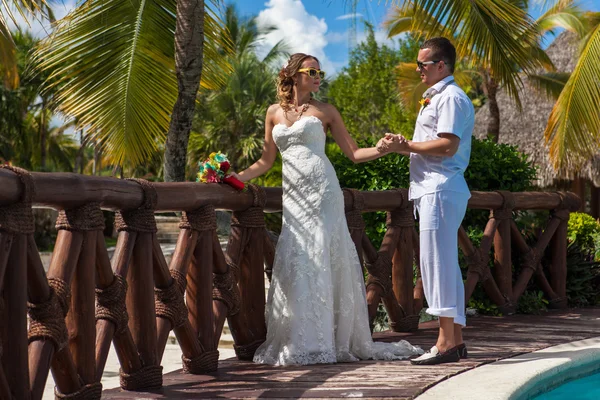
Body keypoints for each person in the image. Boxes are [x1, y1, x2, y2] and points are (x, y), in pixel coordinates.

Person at [230, 53, 422, 366]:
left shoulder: (326, 111)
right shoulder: (273, 112)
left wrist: (383, 148)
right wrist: (233, 179)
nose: (319, 77)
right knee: (299, 259)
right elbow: (265, 161)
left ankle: (329, 341)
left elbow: (355, 153)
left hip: (323, 192)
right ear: (293, 74)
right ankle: (304, 339)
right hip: (293, 197)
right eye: (312, 71)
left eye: (321, 72)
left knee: (322, 256)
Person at [378, 37, 474, 365]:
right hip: (433, 189)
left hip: (440, 188)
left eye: (423, 65)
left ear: (441, 66)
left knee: (439, 265)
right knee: (440, 264)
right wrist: (406, 142)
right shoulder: (436, 97)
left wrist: (405, 148)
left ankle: (445, 343)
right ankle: (455, 340)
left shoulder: (450, 97)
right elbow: (433, 141)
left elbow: (447, 145)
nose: (418, 70)